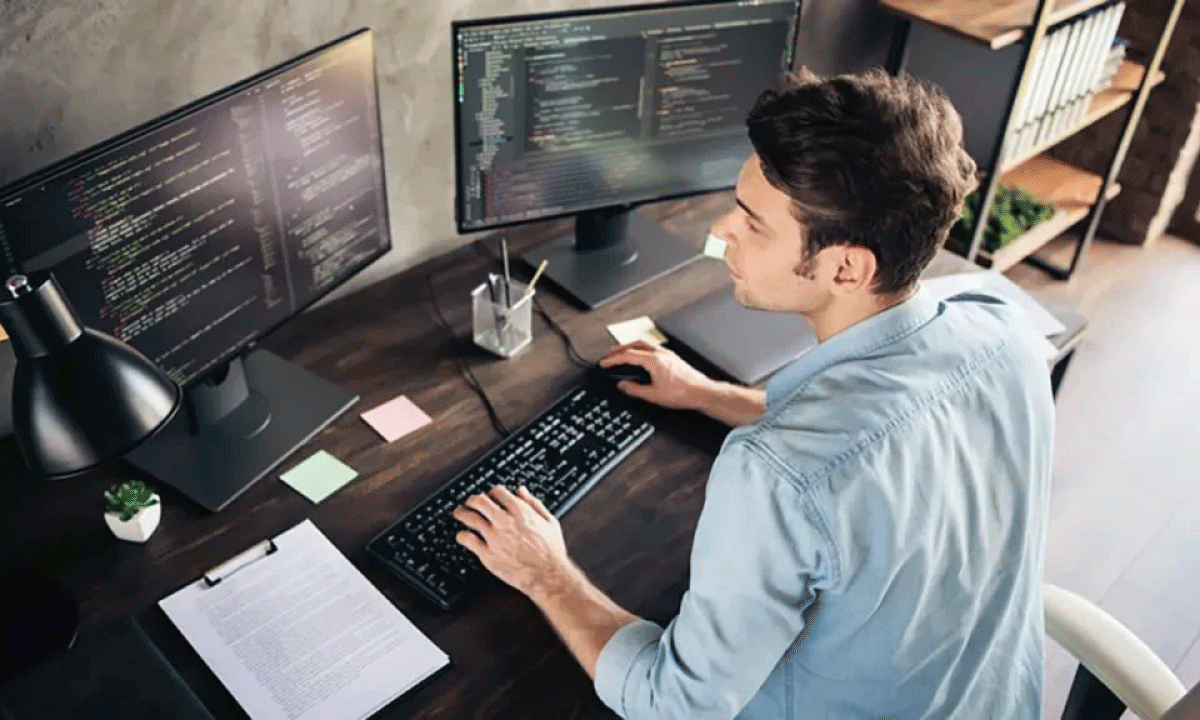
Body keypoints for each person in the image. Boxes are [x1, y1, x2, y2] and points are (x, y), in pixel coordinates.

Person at [451, 67, 1054, 719]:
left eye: (752, 223)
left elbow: (674, 702)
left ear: (846, 267)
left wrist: (544, 571)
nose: (720, 230)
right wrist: (709, 395)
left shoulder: (774, 476)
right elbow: (883, 445)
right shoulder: (1003, 329)